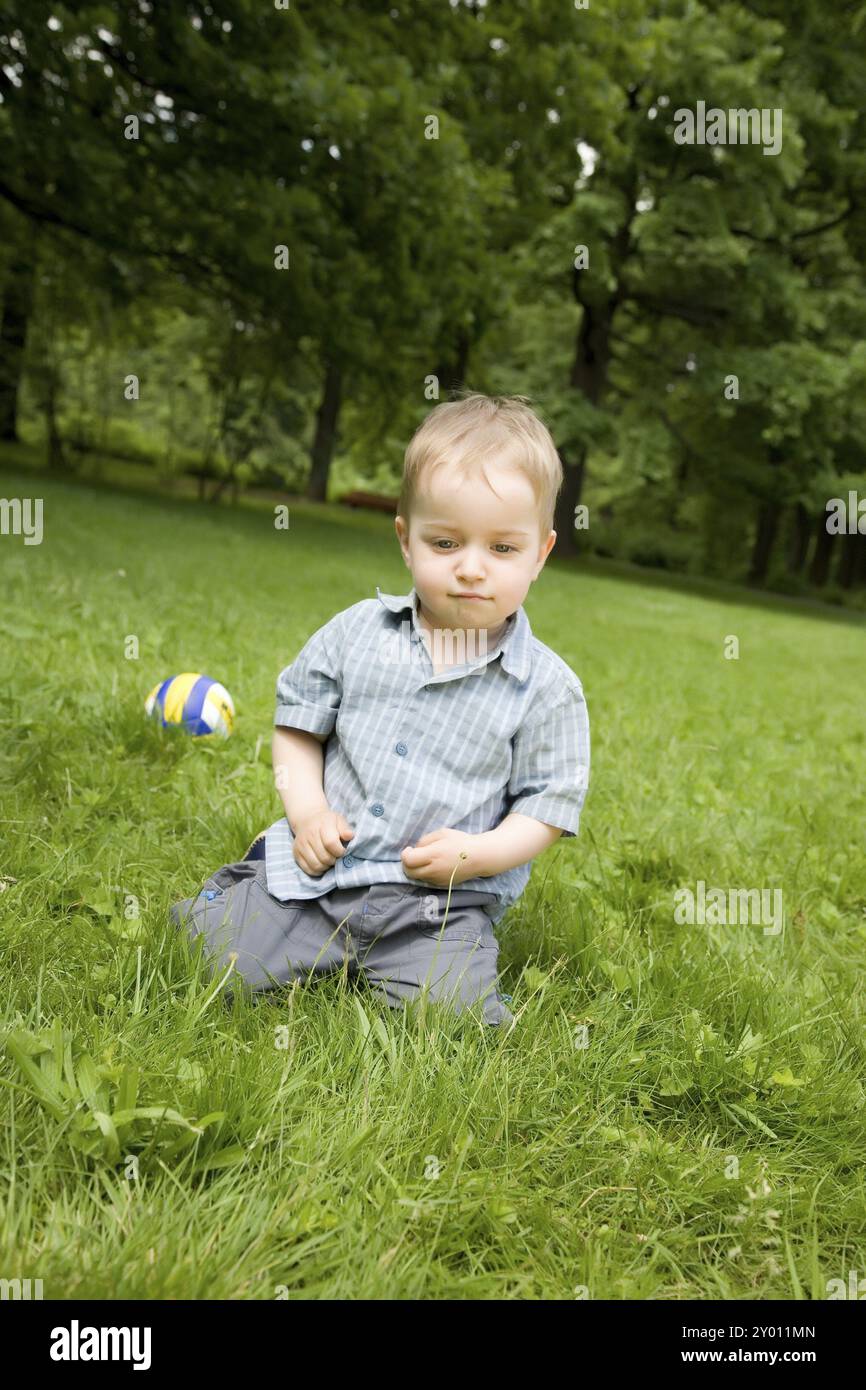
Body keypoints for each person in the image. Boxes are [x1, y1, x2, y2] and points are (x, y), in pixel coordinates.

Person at [170, 393, 590, 1028]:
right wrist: (307, 812)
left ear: (541, 553)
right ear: (406, 539)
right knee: (206, 957)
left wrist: (479, 855)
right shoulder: (356, 633)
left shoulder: (547, 689)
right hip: (324, 877)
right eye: (445, 542)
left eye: (503, 549)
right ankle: (255, 880)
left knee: (454, 1024)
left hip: (438, 909)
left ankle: (421, 971)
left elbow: (547, 809)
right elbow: (296, 726)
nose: (472, 569)